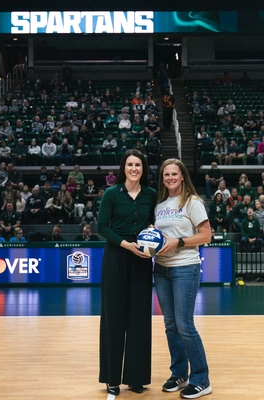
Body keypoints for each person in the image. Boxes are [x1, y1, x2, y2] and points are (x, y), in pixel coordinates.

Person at [97, 149, 157, 396]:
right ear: (124, 167)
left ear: (143, 169)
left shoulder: (151, 195)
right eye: (130, 164)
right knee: (114, 318)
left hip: (142, 258)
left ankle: (136, 376)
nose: (134, 168)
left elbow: (155, 222)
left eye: (138, 165)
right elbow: (102, 227)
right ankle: (112, 378)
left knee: (139, 318)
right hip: (117, 257)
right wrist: (125, 244)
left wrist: (152, 231)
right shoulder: (112, 194)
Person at [153, 158, 212, 399]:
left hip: (185, 267)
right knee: (171, 325)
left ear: (182, 176)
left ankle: (201, 379)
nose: (170, 178)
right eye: (166, 174)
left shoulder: (192, 202)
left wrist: (178, 242)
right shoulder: (160, 205)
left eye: (174, 174)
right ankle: (179, 373)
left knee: (185, 324)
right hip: (162, 268)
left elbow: (206, 235)